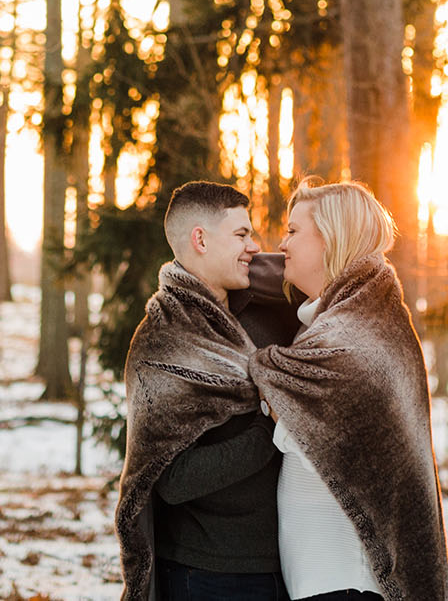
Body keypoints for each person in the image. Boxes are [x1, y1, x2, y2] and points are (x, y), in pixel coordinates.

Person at [252, 180, 448, 601]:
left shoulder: (356, 331)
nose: (281, 243)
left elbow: (308, 429)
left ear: (330, 238)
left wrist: (269, 377)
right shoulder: (340, 320)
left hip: (346, 578)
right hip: (324, 578)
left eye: (293, 231)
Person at [115, 181, 287, 601]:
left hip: (289, 562)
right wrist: (272, 429)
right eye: (241, 234)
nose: (254, 246)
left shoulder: (268, 313)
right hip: (207, 573)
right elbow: (171, 478)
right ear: (200, 240)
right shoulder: (162, 341)